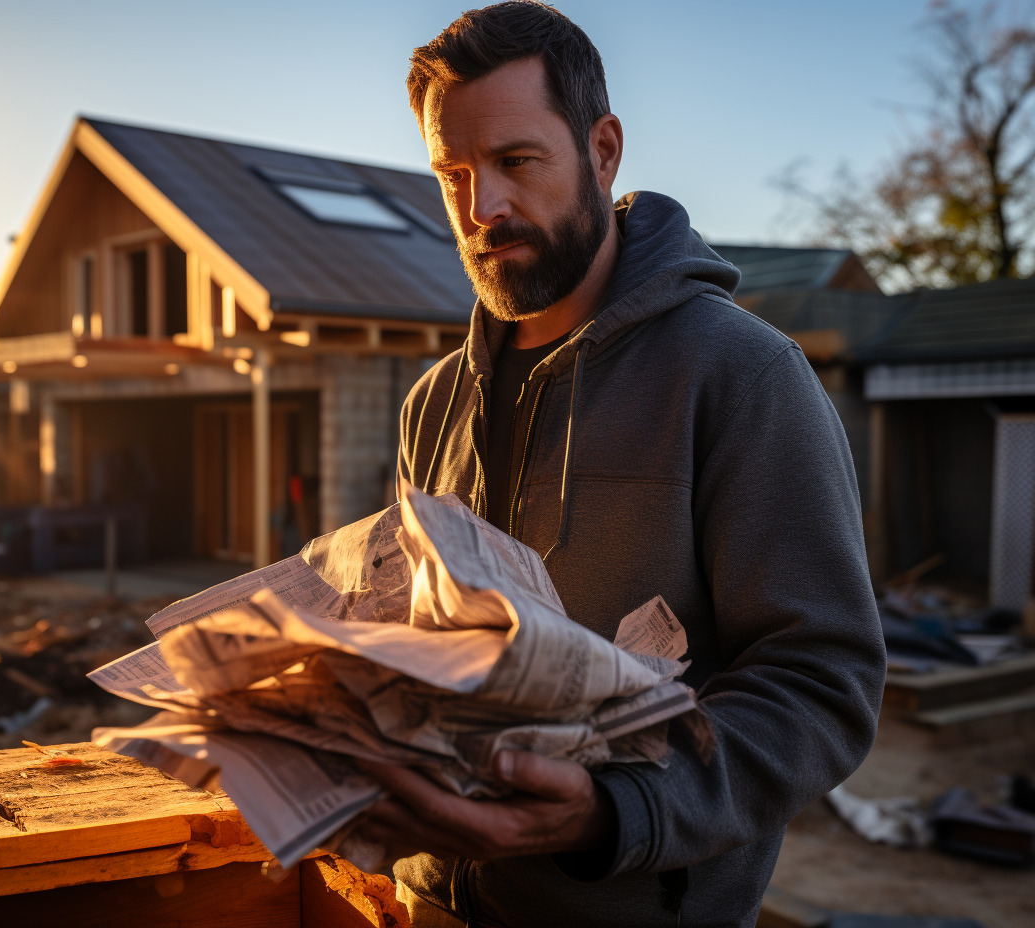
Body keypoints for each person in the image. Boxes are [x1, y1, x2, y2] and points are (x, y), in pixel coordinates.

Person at [355, 3, 887, 927]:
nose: (483, 209)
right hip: (422, 906)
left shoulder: (744, 377)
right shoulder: (431, 401)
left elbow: (822, 682)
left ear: (603, 152)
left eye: (517, 162)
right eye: (454, 174)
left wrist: (615, 812)